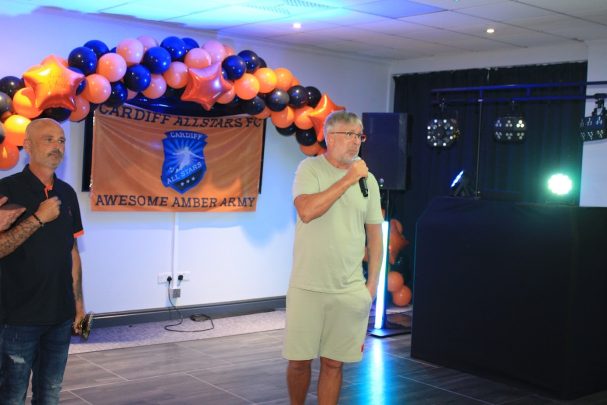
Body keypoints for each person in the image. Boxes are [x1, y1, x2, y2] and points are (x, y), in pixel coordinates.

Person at [283, 111, 384, 404]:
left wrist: (371, 287)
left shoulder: (368, 181)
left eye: (359, 135)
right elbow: (307, 210)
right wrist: (349, 179)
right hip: (308, 287)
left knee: (333, 364)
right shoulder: (310, 169)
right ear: (329, 137)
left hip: (349, 288)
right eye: (348, 134)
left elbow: (375, 237)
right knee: (299, 362)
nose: (355, 142)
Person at [0, 118, 86, 404]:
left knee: (50, 393)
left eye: (61, 140)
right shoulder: (6, 191)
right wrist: (38, 218)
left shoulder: (68, 193)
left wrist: (78, 304)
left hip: (60, 316)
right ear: (27, 146)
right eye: (48, 139)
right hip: (16, 318)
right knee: (11, 395)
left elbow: (72, 251)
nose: (57, 146)